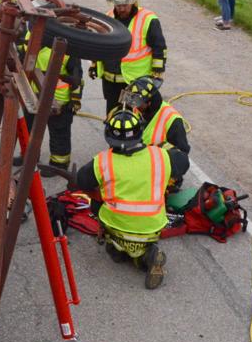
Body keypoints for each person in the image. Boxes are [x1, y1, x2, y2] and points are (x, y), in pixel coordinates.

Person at [74, 110, 190, 289]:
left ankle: (116, 247)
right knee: (139, 245)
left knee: (97, 203)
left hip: (116, 225)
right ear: (140, 132)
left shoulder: (102, 161)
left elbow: (81, 180)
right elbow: (184, 161)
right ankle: (147, 255)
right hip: (152, 227)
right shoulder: (161, 156)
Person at [90, 0, 166, 115]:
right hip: (111, 82)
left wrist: (157, 71)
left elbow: (159, 47)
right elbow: (101, 45)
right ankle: (114, 135)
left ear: (133, 1)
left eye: (125, 5)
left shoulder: (148, 19)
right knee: (113, 116)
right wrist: (94, 64)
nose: (122, 9)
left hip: (134, 83)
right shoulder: (108, 18)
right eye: (118, 5)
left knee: (134, 115)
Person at [32, 33, 83, 176]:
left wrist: (75, 100)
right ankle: (29, 159)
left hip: (59, 101)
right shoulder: (31, 38)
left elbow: (77, 78)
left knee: (59, 133)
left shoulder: (66, 48)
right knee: (31, 131)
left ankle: (59, 164)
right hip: (33, 97)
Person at [120, 76, 189, 153]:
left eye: (137, 102)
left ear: (149, 103)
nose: (133, 105)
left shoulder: (173, 121)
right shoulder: (138, 108)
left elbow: (182, 153)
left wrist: (158, 151)